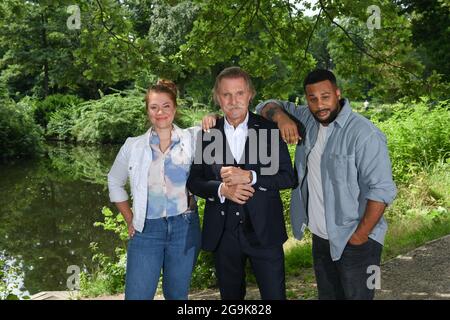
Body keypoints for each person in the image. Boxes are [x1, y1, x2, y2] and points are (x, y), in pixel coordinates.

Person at [255, 69, 397, 300]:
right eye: (313, 99)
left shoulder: (365, 134)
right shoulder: (308, 120)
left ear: (338, 93)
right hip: (321, 239)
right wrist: (281, 118)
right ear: (307, 100)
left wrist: (360, 237)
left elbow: (381, 192)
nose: (320, 105)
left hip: (359, 242)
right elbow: (265, 104)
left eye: (325, 96)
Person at [187, 67, 296, 300]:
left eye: (239, 93)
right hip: (224, 234)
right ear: (217, 97)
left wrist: (251, 177)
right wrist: (221, 189)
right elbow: (194, 181)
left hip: (265, 231)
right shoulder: (208, 134)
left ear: (250, 95)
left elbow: (288, 177)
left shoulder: (268, 130)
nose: (233, 100)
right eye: (226, 94)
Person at [107, 80, 201, 300]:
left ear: (175, 109)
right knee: (138, 296)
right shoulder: (133, 145)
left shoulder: (193, 138)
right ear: (147, 110)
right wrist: (129, 218)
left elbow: (224, 128)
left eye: (166, 106)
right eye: (154, 107)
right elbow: (114, 180)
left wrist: (212, 119)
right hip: (146, 230)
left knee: (178, 297)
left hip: (184, 228)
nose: (160, 112)